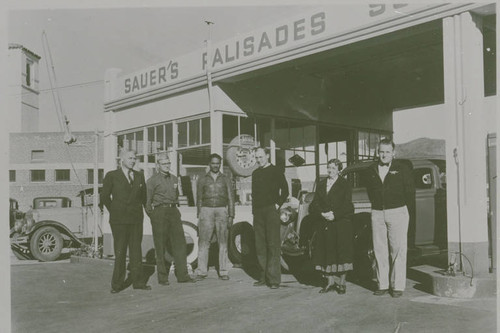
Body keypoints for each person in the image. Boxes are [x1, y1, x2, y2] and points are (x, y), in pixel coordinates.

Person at [365, 138, 415, 298]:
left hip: (397, 211)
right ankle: (383, 284)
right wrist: (377, 207)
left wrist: (402, 209)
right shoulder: (371, 169)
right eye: (381, 152)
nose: (384, 155)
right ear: (377, 153)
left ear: (394, 153)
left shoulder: (402, 168)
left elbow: (409, 192)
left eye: (387, 152)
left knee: (398, 250)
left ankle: (397, 286)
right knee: (379, 249)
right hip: (377, 212)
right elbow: (370, 191)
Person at [100, 150, 151, 293]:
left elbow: (143, 198)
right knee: (120, 252)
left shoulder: (140, 176)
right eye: (130, 158)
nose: (133, 160)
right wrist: (115, 211)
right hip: (119, 221)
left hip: (135, 220)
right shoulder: (112, 176)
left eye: (134, 158)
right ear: (121, 160)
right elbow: (104, 197)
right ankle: (116, 285)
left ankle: (138, 283)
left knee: (136, 251)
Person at [145, 153, 196, 285]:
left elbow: (177, 195)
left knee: (180, 244)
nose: (167, 166)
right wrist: (154, 215)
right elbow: (147, 201)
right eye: (163, 163)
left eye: (168, 163)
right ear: (158, 165)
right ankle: (162, 277)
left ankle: (183, 275)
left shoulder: (174, 179)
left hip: (173, 211)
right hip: (159, 212)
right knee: (160, 245)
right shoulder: (152, 181)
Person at [310, 158, 354, 294]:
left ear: (339, 170)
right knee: (325, 253)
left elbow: (348, 205)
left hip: (340, 224)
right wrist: (322, 213)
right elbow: (314, 204)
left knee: (341, 254)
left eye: (334, 168)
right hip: (324, 224)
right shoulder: (322, 184)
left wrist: (335, 214)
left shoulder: (345, 184)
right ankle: (329, 283)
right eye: (328, 167)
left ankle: (342, 284)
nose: (330, 170)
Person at [251, 148, 289, 289]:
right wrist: (254, 211)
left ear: (267, 155)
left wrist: (277, 205)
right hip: (258, 213)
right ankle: (263, 277)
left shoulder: (276, 171)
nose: (258, 160)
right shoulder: (255, 173)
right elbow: (254, 194)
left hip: (271, 211)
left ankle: (273, 280)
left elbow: (285, 190)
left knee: (273, 245)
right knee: (260, 245)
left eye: (261, 157)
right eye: (256, 157)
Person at [195, 153, 235, 280]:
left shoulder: (226, 179)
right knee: (203, 242)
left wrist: (231, 215)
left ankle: (223, 271)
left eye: (218, 163)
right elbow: (199, 198)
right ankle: (202, 271)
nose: (215, 165)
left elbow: (231, 198)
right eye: (213, 163)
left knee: (223, 242)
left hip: (222, 211)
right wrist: (199, 214)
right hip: (206, 211)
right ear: (209, 164)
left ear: (220, 164)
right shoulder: (202, 179)